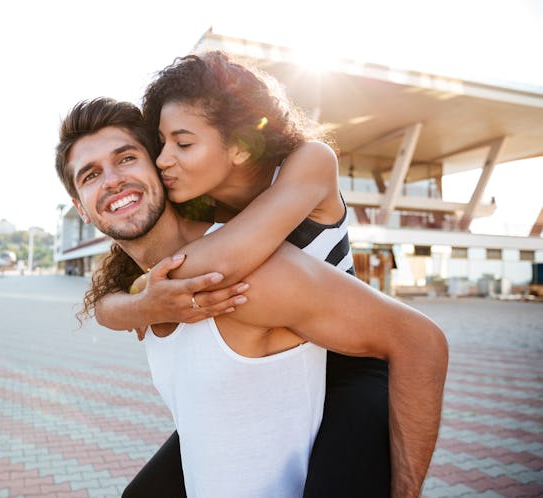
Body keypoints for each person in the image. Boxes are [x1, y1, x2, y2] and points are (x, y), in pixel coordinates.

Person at [54, 97, 448, 498]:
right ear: (80, 210)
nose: (113, 180)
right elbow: (106, 302)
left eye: (126, 159)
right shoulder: (144, 287)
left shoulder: (243, 275)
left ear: (159, 166)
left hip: (357, 376)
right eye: (90, 176)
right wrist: (138, 304)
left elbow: (420, 341)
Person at [91, 51, 389, 497]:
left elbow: (221, 263)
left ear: (241, 145)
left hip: (349, 366)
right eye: (161, 144)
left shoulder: (309, 162)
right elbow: (104, 297)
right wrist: (133, 305)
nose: (164, 159)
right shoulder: (201, 198)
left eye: (182, 144)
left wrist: (141, 296)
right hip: (275, 375)